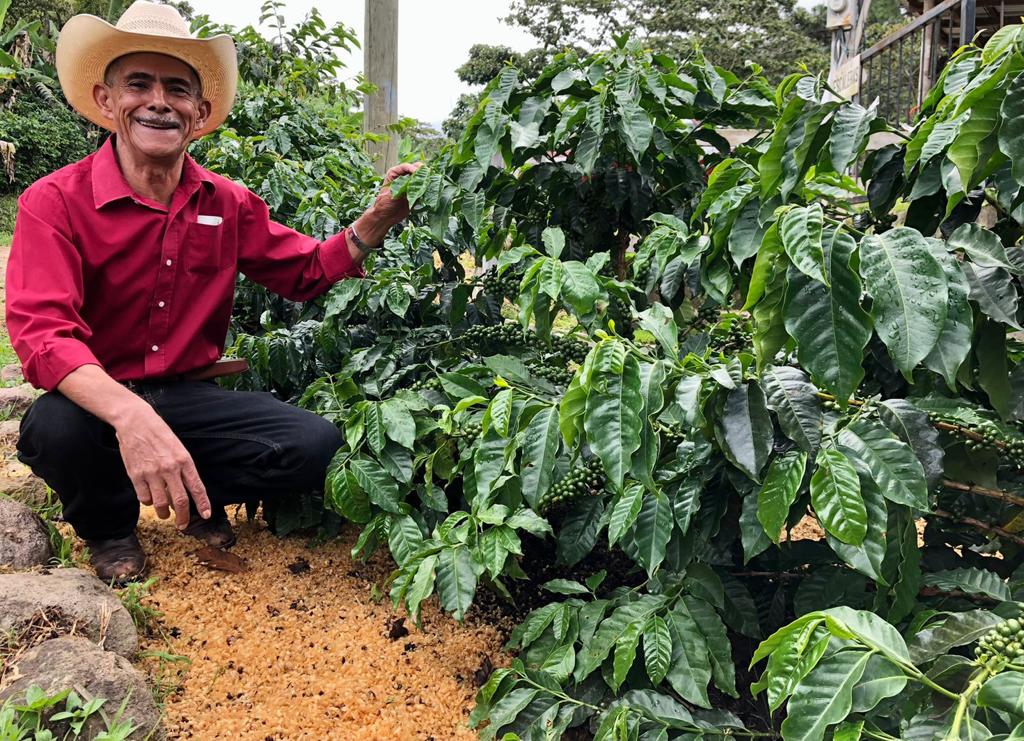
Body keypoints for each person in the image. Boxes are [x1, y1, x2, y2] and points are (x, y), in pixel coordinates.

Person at [6, 1, 418, 583]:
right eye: (138, 84)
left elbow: (303, 271)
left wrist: (375, 222)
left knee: (312, 442)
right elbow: (43, 334)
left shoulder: (226, 203)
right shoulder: (55, 202)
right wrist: (129, 416)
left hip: (185, 395)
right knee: (53, 431)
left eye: (176, 89)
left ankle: (199, 499)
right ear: (106, 100)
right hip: (96, 398)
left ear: (199, 113)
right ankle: (109, 525)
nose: (157, 101)